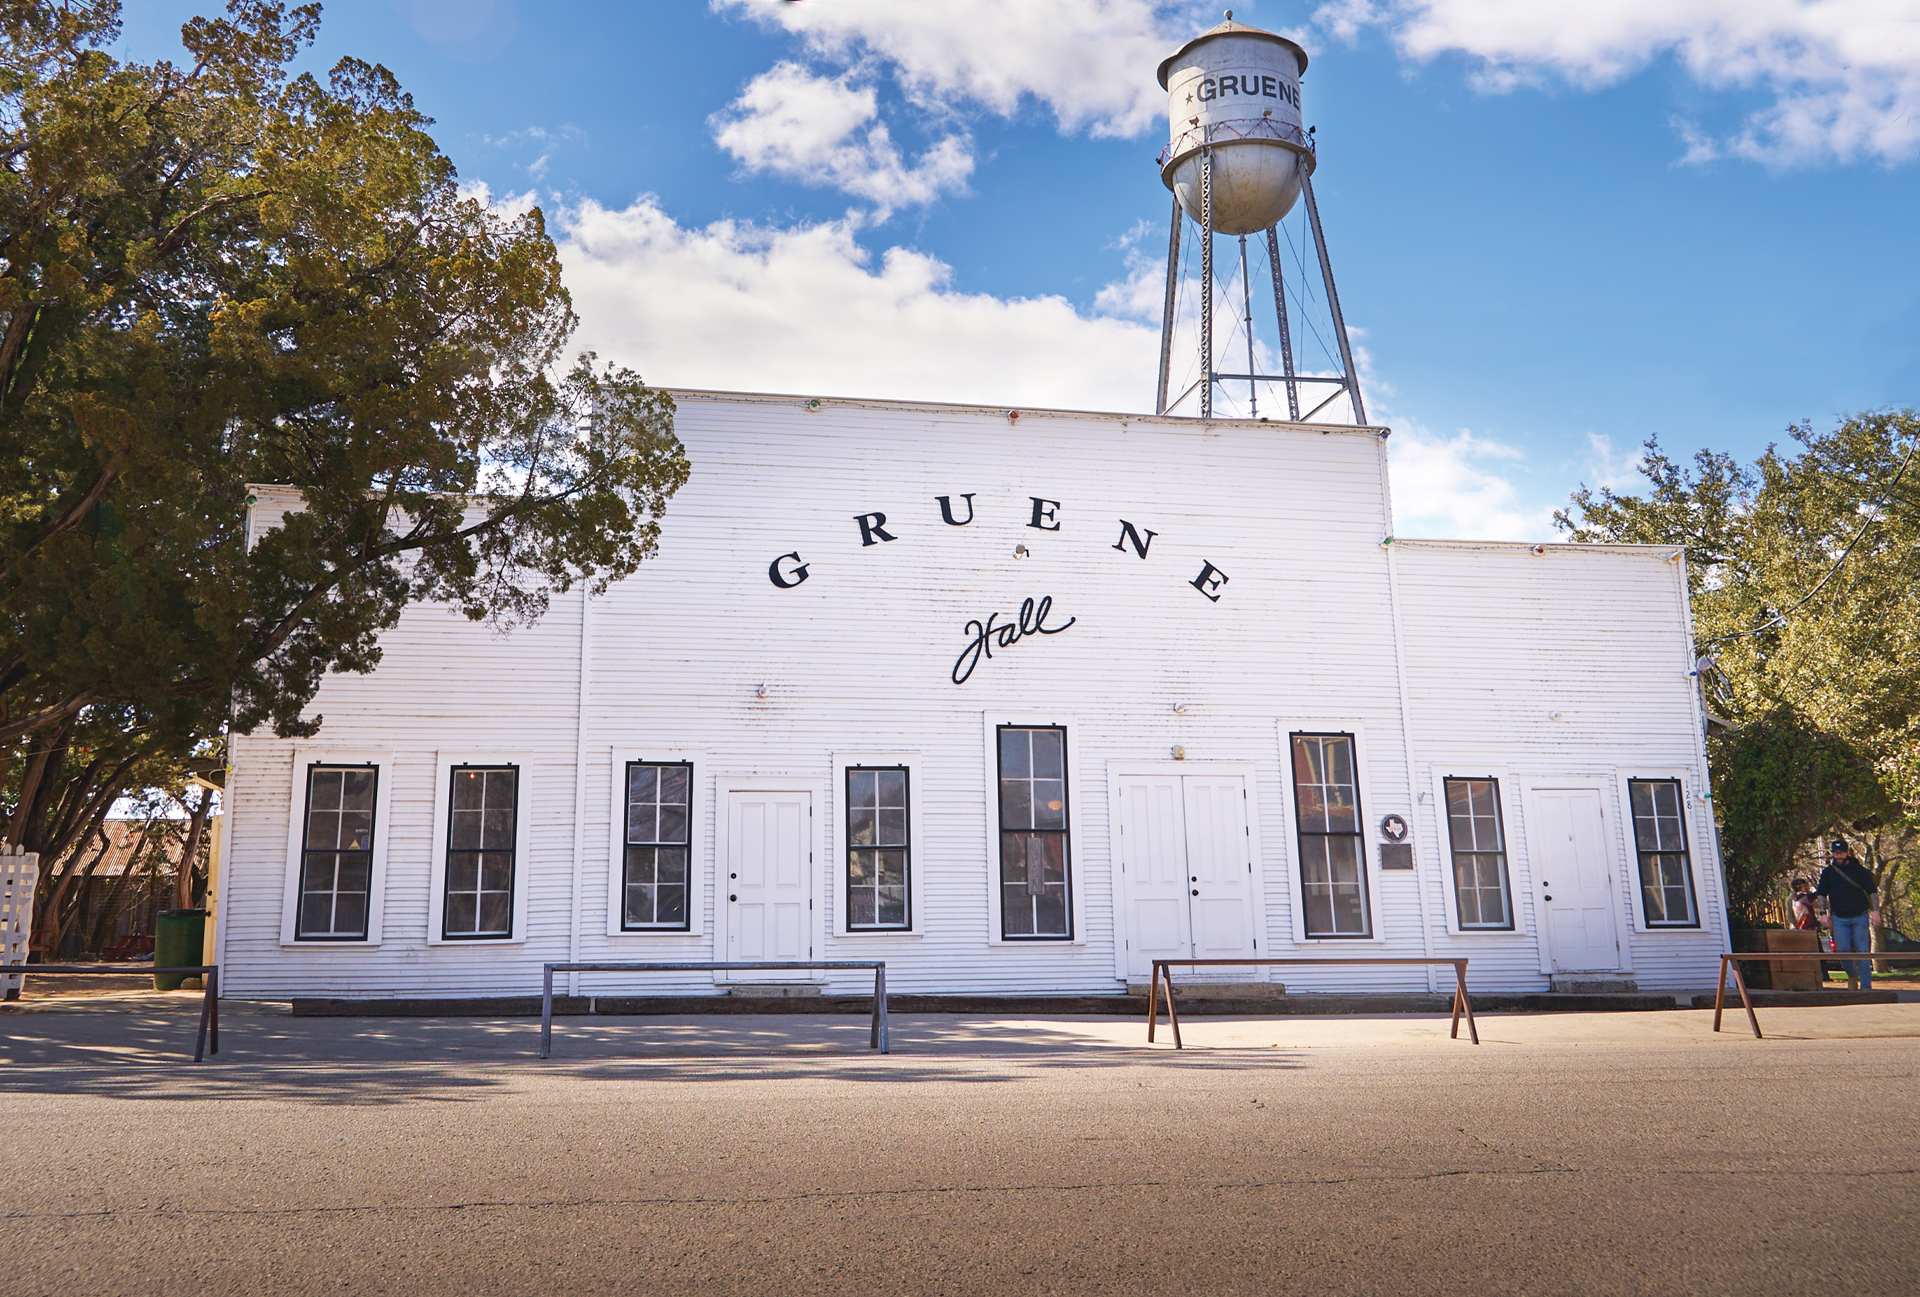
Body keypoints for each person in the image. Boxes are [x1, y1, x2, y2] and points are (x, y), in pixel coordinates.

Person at [1813, 839, 1880, 990]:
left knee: (1863, 951)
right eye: (1835, 853)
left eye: (1841, 853)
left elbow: (1872, 891)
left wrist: (1876, 911)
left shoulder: (1859, 871)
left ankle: (1865, 987)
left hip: (1859, 915)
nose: (1838, 856)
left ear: (1847, 853)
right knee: (1842, 950)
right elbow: (1822, 894)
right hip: (1839, 917)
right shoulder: (1828, 872)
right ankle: (1852, 974)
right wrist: (1822, 913)